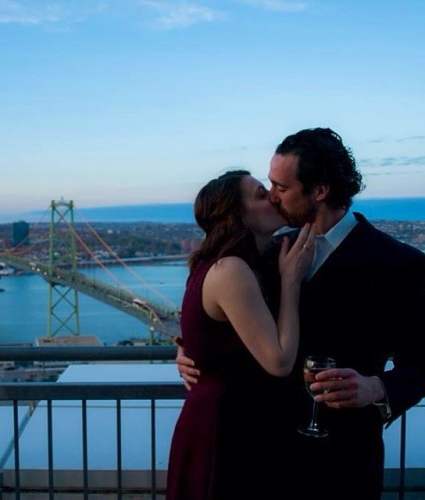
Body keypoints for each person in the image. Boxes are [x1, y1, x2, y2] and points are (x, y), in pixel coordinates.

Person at [176, 128, 425, 499]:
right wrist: (190, 351)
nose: (272, 196)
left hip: (341, 461)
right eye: (267, 187)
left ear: (319, 190)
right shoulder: (263, 252)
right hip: (254, 454)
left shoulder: (400, 264)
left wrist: (378, 388)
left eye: (280, 187)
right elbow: (221, 317)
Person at [165, 169, 315, 499]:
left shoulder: (216, 264)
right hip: (224, 427)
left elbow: (206, 331)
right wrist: (291, 282)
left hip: (228, 420)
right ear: (237, 214)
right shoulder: (231, 269)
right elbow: (278, 362)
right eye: (262, 194)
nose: (274, 198)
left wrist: (186, 346)